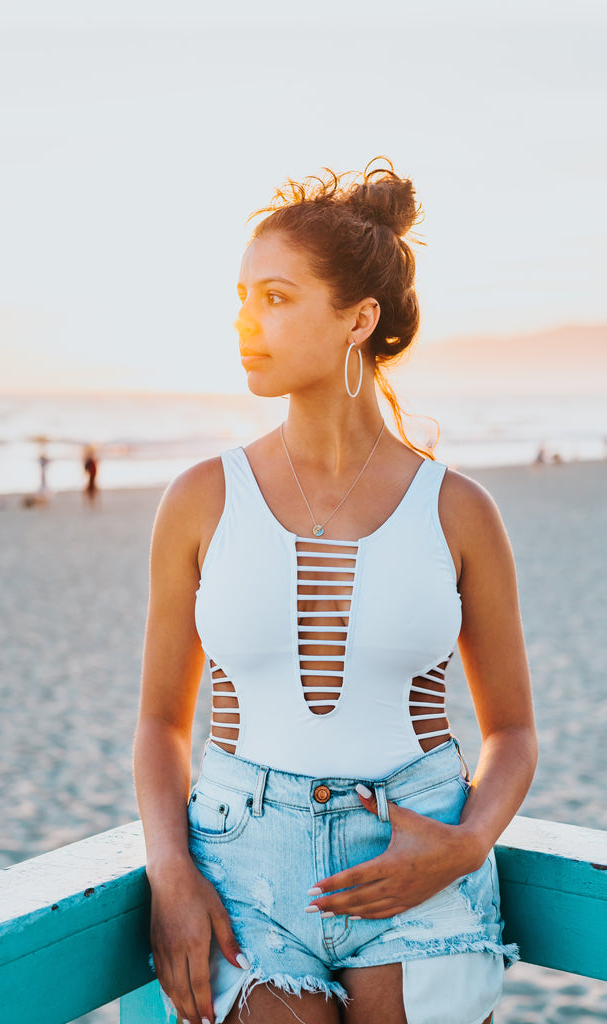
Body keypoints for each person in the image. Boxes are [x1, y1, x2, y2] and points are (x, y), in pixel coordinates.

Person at [133, 158, 537, 1024]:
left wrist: (463, 846)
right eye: (242, 296)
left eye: (275, 298)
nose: (246, 320)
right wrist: (170, 871)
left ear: (358, 319)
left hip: (416, 846)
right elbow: (161, 722)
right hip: (243, 868)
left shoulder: (458, 510)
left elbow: (512, 729)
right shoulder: (203, 498)